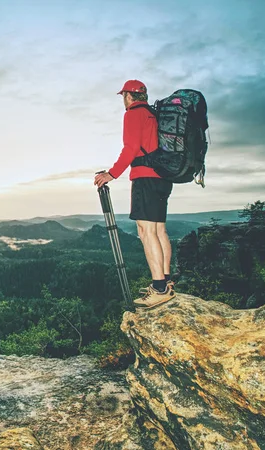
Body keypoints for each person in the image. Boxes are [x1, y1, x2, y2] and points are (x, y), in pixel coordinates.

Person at [94, 79, 175, 309]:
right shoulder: (154, 114)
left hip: (145, 177)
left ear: (129, 96)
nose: (123, 100)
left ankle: (159, 288)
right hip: (163, 177)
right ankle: (166, 281)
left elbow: (130, 148)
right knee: (159, 229)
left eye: (123, 96)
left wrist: (111, 174)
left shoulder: (133, 114)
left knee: (145, 231)